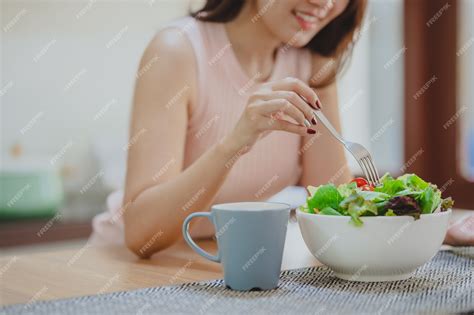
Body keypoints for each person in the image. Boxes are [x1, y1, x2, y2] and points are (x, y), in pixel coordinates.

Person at [90, 0, 474, 257]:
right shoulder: (176, 51)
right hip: (134, 266)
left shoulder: (312, 61)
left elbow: (339, 208)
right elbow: (141, 233)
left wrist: (429, 228)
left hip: (223, 264)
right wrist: (235, 143)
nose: (325, 2)